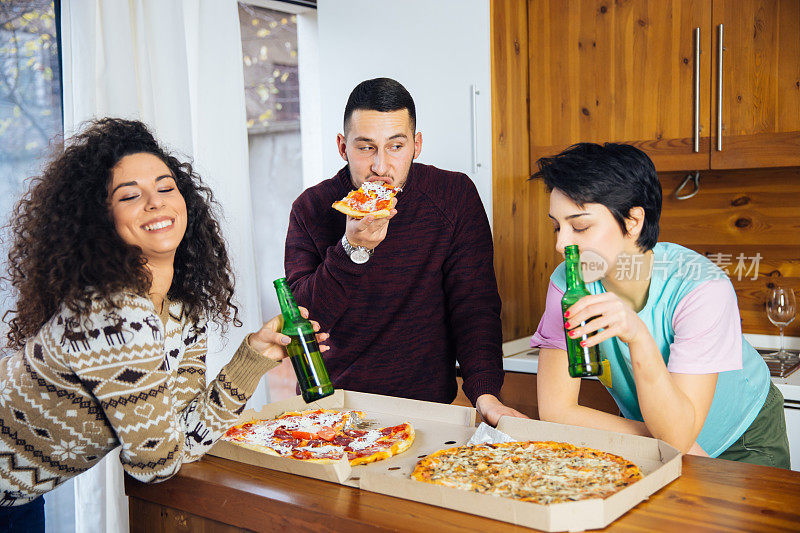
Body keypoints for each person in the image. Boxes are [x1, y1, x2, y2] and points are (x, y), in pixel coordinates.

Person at [0, 118, 328, 529]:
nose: (155, 203)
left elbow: (183, 435)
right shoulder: (113, 314)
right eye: (130, 196)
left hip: (20, 497)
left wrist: (252, 357)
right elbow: (156, 464)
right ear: (101, 220)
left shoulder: (180, 309)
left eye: (166, 187)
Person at [531, 142, 789, 467]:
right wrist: (666, 444)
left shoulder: (701, 288)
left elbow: (677, 436)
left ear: (633, 221)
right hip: (658, 438)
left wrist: (638, 337)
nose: (560, 244)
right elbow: (556, 411)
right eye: (557, 226)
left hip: (744, 437)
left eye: (579, 226)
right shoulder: (568, 283)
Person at [284, 78, 524, 425]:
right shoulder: (312, 207)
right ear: (342, 146)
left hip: (429, 406)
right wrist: (351, 249)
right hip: (331, 407)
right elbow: (303, 322)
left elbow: (475, 306)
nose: (380, 167)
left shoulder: (453, 197)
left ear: (416, 144)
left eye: (395, 146)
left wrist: (485, 392)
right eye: (366, 148)